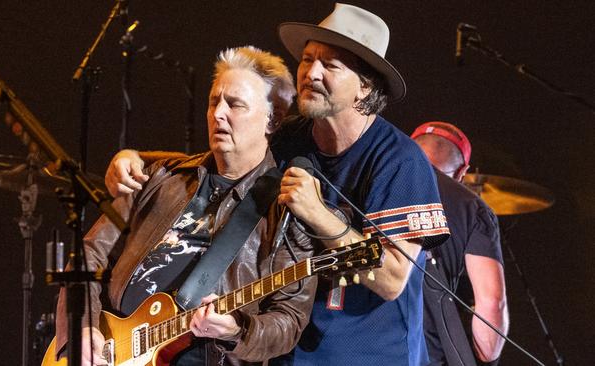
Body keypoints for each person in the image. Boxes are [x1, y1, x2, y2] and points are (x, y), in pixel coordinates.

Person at [104, 4, 450, 365]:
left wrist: (320, 216)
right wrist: (134, 157)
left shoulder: (399, 160)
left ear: (364, 86)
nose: (311, 73)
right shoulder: (290, 138)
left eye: (330, 65)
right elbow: (216, 159)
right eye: (307, 59)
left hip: (367, 356)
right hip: (287, 351)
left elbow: (393, 279)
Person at [55, 46, 317, 366]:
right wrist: (81, 328)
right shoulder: (161, 177)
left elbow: (288, 320)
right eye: (213, 101)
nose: (218, 113)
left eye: (235, 104)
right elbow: (89, 255)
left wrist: (236, 330)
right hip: (111, 349)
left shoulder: (285, 211)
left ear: (272, 119)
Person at [411, 121, 509, 365]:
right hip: (423, 355)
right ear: (462, 172)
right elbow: (492, 303)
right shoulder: (473, 209)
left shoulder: (374, 183)